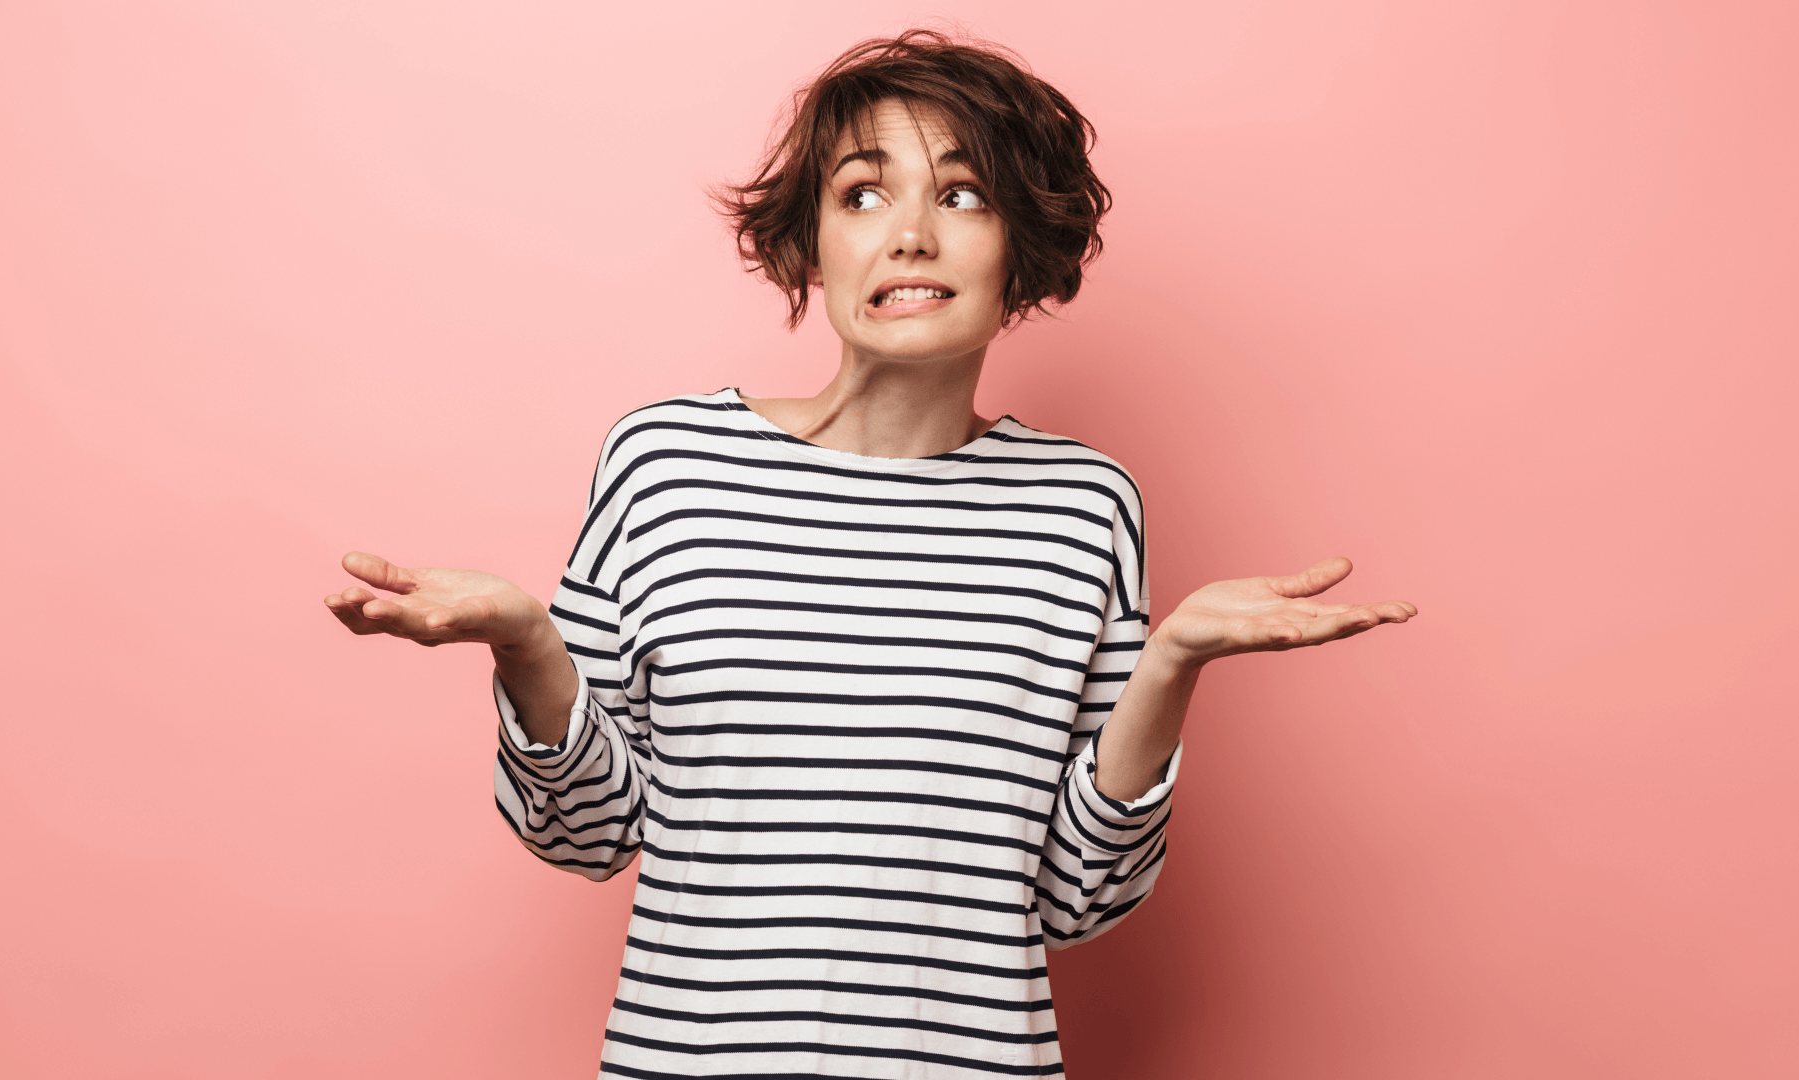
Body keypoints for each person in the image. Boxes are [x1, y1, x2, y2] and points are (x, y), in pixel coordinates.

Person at [323, 30, 1414, 1079]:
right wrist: (525, 644)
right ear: (811, 242)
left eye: (963, 193)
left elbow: (1078, 899)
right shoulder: (666, 467)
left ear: (1022, 246)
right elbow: (586, 832)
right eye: (862, 193)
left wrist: (1172, 663)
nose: (910, 234)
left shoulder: (1084, 506)